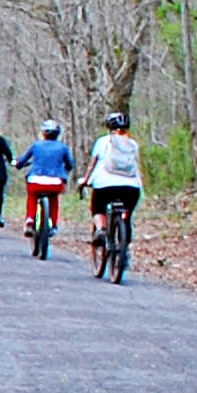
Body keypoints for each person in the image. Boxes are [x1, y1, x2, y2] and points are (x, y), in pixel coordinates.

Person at [85, 108, 144, 274]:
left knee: (97, 207)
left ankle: (101, 230)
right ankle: (124, 248)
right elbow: (137, 167)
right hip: (131, 187)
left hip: (105, 184)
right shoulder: (133, 144)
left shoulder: (103, 142)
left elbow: (93, 164)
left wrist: (85, 180)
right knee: (127, 215)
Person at [19, 117, 76, 252]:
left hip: (35, 181)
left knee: (32, 196)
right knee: (53, 199)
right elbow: (70, 164)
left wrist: (18, 164)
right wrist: (65, 170)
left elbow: (22, 160)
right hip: (55, 182)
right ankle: (53, 224)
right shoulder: (62, 148)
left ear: (43, 133)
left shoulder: (36, 145)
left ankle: (30, 219)